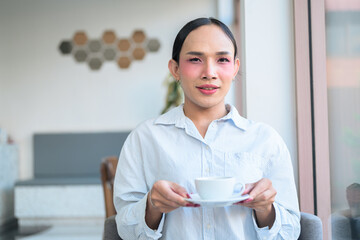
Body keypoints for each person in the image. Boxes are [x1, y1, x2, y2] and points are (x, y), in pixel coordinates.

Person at [113, 17, 300, 239]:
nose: (209, 72)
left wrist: (265, 209)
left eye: (222, 59)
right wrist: (152, 206)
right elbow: (124, 231)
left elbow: (290, 232)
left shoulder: (265, 140)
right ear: (175, 69)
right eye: (195, 59)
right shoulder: (145, 139)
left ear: (235, 68)